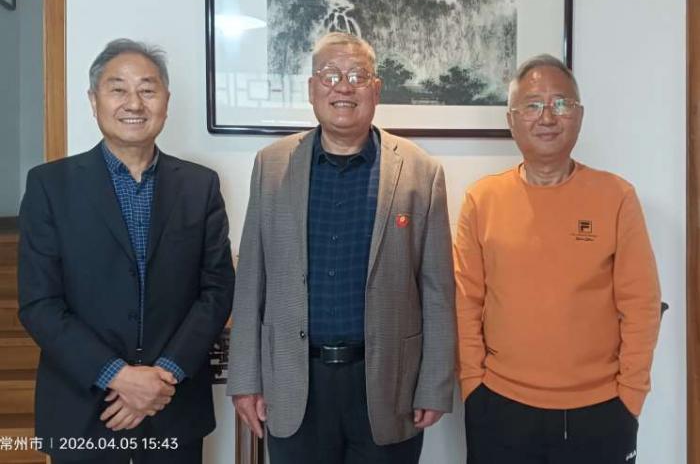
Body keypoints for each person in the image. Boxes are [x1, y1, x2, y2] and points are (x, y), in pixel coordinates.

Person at [227, 32, 455, 464]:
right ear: (312, 88)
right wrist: (245, 379)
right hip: (294, 381)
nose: (343, 87)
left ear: (376, 89)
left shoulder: (420, 172)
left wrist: (434, 384)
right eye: (330, 75)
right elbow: (252, 279)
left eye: (357, 76)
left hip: (388, 384)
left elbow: (438, 290)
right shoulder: (271, 165)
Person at [18, 39, 235, 463]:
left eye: (147, 89)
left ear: (166, 101)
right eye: (117, 89)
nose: (134, 103)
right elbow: (39, 304)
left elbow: (217, 290)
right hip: (83, 407)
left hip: (173, 406)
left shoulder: (200, 186)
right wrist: (118, 376)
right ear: (93, 100)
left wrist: (162, 377)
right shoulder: (50, 186)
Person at [454, 54, 661, 464]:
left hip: (601, 409)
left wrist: (630, 395)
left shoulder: (617, 197)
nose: (547, 117)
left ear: (579, 116)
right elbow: (465, 303)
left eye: (561, 103)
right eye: (532, 105)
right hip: (499, 405)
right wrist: (473, 385)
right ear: (512, 120)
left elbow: (642, 304)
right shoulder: (482, 200)